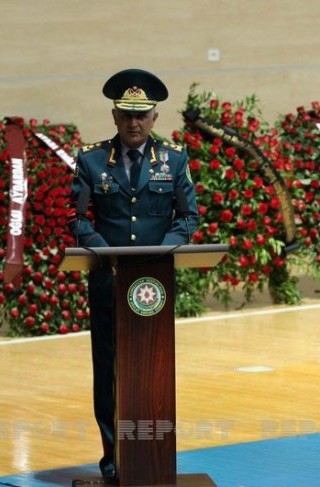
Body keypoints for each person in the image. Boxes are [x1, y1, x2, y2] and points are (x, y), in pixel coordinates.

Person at [69, 68, 199, 480]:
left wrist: (158, 253)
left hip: (154, 286)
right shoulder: (91, 160)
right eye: (126, 114)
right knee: (109, 370)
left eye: (141, 115)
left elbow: (188, 218)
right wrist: (107, 253)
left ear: (154, 118)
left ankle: (154, 455)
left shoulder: (174, 159)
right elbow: (77, 219)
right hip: (109, 281)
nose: (133, 123)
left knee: (154, 369)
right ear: (114, 116)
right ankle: (113, 455)